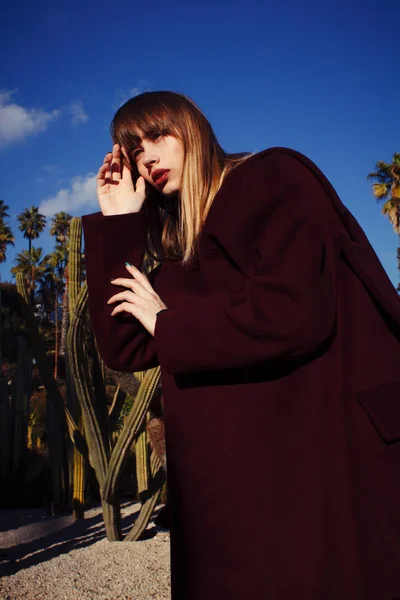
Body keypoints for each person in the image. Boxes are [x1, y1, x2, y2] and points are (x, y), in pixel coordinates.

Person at [82, 91, 400, 600]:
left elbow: (294, 310)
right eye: (133, 149)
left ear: (191, 127)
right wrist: (119, 221)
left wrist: (169, 323)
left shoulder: (273, 177)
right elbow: (126, 346)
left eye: (157, 135)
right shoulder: (178, 250)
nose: (147, 156)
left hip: (307, 470)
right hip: (223, 499)